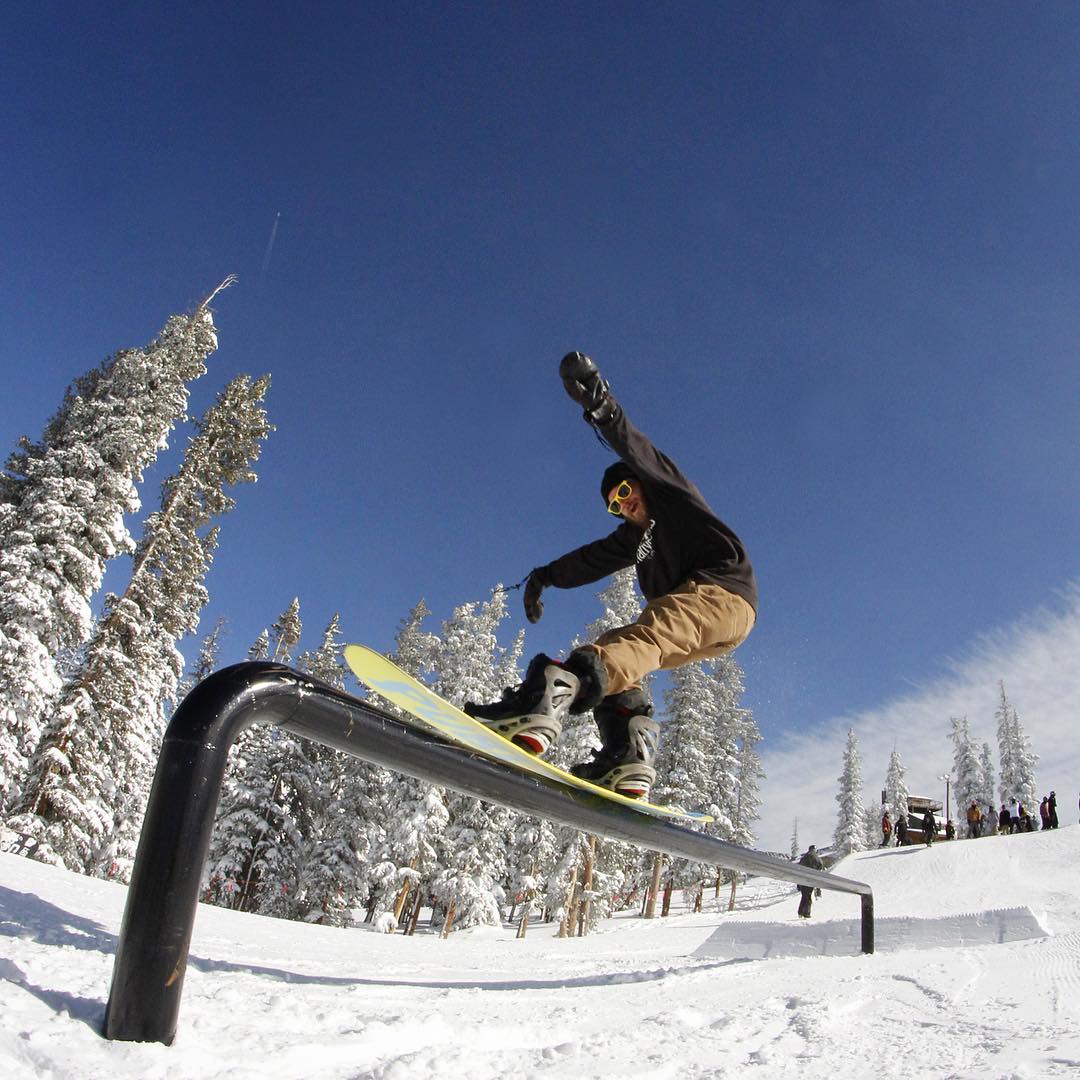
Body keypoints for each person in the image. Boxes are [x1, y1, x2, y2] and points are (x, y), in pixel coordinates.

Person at [465, 352, 757, 800]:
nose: (624, 505)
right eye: (613, 504)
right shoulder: (633, 540)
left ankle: (546, 702)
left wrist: (602, 405)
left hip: (721, 593)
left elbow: (636, 447)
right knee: (632, 657)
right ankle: (629, 750)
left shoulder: (670, 498)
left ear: (639, 482)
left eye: (624, 491)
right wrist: (544, 578)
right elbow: (590, 559)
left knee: (642, 638)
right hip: (718, 628)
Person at [797, 844, 825, 918]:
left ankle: (800, 912)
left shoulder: (803, 858)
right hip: (810, 879)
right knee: (808, 895)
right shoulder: (815, 856)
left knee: (804, 896)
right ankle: (806, 913)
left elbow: (798, 869)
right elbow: (820, 864)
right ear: (814, 849)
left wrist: (798, 882)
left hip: (802, 880)